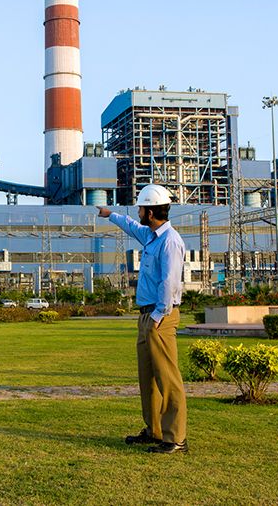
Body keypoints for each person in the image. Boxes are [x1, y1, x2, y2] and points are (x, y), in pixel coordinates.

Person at [97, 184, 188, 454]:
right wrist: (110, 215)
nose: (138, 212)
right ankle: (154, 430)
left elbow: (170, 282)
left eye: (140, 208)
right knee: (148, 379)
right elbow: (130, 226)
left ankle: (176, 439)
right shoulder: (151, 236)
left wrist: (159, 315)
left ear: (150, 212)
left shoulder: (170, 241)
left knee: (167, 379)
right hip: (147, 315)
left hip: (161, 316)